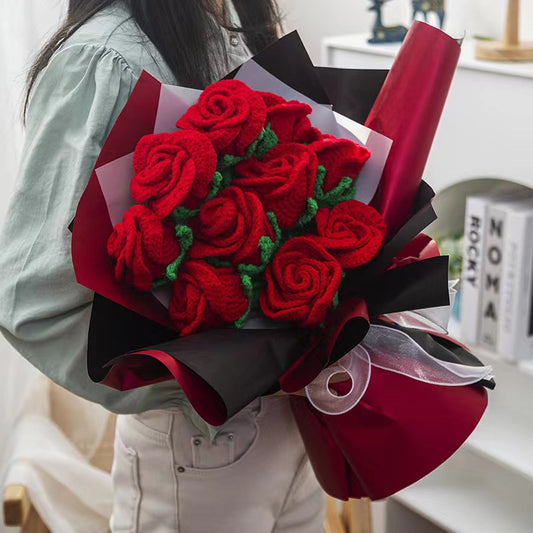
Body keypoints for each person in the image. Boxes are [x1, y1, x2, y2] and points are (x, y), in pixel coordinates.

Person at [0, 1, 326, 531]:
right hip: (203, 448)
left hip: (291, 430)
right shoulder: (106, 57)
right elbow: (32, 301)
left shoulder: (229, 24)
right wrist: (205, 384)